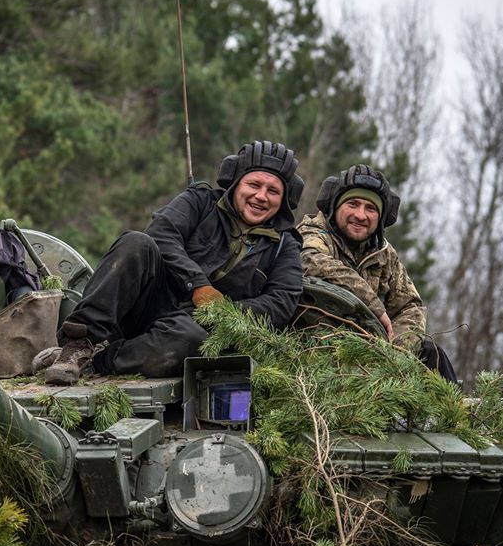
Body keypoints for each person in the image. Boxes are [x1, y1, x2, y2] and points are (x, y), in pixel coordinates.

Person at [43, 141, 306, 385]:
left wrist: (223, 312)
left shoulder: (285, 244)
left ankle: (100, 360)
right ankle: (77, 345)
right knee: (136, 243)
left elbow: (282, 300)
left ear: (283, 200)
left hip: (200, 329)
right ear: (237, 183)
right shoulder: (200, 202)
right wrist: (197, 285)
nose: (261, 196)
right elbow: (161, 234)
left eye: (273, 191)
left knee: (191, 341)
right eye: (254, 184)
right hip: (149, 304)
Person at [297, 164, 458, 382]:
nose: (360, 215)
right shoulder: (313, 233)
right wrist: (373, 305)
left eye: (370, 208)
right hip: (314, 346)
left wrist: (395, 354)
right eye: (352, 204)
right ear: (335, 207)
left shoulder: (384, 253)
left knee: (431, 352)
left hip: (373, 355)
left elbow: (410, 306)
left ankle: (453, 414)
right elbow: (312, 262)